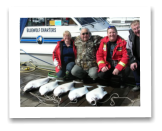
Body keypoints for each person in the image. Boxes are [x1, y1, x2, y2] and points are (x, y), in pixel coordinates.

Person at [126, 20, 140, 91]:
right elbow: (128, 49)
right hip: (137, 59)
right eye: (134, 29)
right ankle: (138, 84)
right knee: (133, 66)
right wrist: (132, 61)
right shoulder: (131, 37)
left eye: (138, 27)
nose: (137, 30)